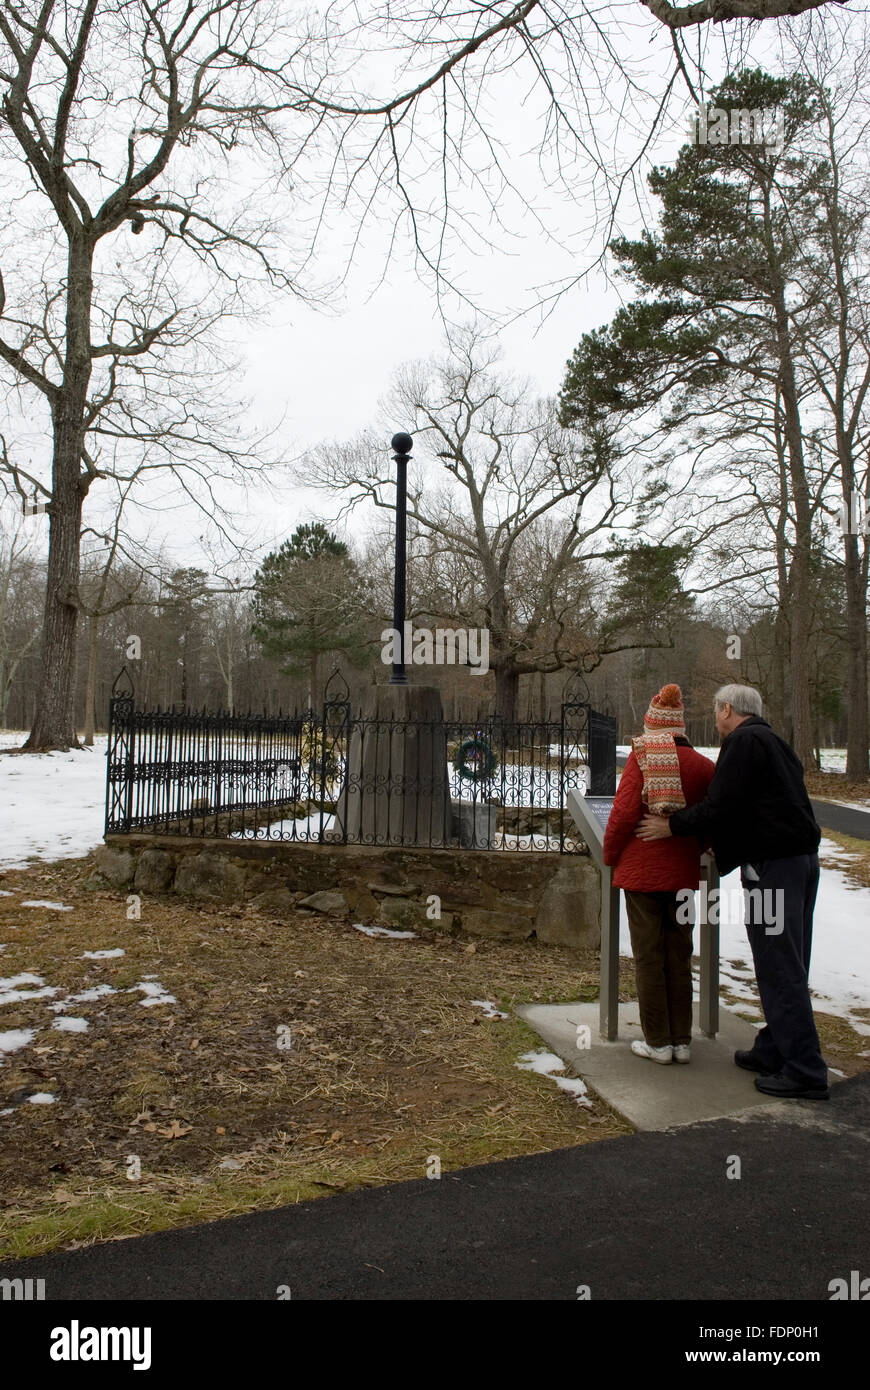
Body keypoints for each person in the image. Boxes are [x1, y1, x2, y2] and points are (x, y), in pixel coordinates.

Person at [636, 683, 827, 1100]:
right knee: (789, 959)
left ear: (726, 710)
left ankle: (805, 1069)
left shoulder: (742, 743)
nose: (716, 717)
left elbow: (721, 806)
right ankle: (775, 1047)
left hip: (773, 866)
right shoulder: (775, 741)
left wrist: (673, 826)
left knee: (778, 964)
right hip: (801, 863)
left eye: (716, 709)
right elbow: (754, 806)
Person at [603, 683, 715, 1065]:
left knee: (649, 956)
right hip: (683, 872)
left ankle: (658, 1042)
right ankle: (682, 1041)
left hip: (642, 874)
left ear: (653, 726)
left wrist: (610, 855)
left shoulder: (642, 757)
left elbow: (622, 815)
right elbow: (711, 820)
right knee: (680, 954)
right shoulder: (704, 767)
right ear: (680, 727)